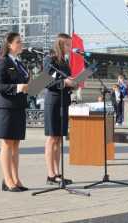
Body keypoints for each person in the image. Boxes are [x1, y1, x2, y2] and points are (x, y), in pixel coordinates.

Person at [0, 32, 29, 192]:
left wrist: (31, 87)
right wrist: (16, 87)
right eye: (18, 42)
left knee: (16, 144)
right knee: (7, 143)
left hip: (18, 107)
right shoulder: (3, 61)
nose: (21, 44)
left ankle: (15, 178)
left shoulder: (19, 63)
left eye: (21, 41)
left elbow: (24, 83)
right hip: (6, 108)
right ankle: (7, 180)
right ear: (9, 45)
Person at [43, 33, 76, 185]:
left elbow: (65, 80)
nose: (70, 47)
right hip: (53, 102)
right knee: (52, 138)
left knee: (59, 139)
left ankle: (57, 173)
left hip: (64, 101)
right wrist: (65, 83)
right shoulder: (50, 60)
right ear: (60, 45)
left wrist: (73, 83)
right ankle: (50, 174)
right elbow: (46, 82)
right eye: (68, 45)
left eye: (70, 44)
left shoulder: (65, 62)